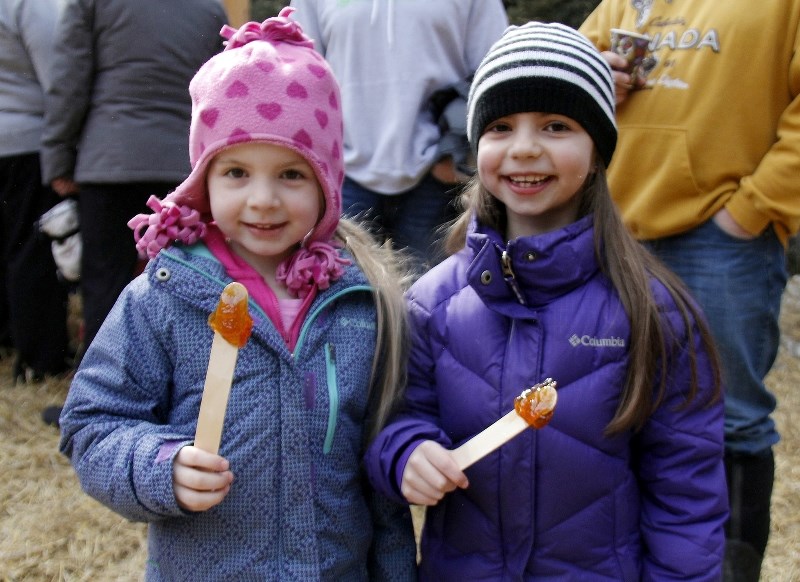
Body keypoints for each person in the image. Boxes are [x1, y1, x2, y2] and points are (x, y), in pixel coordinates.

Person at [58, 10, 417, 579]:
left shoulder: (360, 306)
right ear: (203, 179)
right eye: (236, 173)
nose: (263, 200)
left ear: (328, 182)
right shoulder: (163, 300)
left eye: (292, 175)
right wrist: (159, 467)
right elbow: (93, 424)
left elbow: (379, 483)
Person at [364, 22, 728, 580]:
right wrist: (407, 454)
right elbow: (396, 422)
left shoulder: (653, 312)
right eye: (502, 127)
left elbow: (686, 491)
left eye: (556, 125)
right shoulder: (431, 305)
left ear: (598, 150)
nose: (525, 148)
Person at [579, 4, 800, 580]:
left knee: (732, 419)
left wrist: (751, 212)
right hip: (615, 233)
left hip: (723, 240)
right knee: (611, 408)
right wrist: (595, 78)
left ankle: (728, 572)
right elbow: (560, 78)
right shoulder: (627, 3)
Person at [40, 0, 228, 360]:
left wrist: (59, 158)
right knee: (182, 285)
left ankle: (98, 392)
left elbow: (69, 81)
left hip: (110, 161)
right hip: (182, 169)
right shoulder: (210, 8)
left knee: (105, 285)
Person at [289, 0, 508, 272]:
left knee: (427, 300)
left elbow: (495, 67)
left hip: (437, 173)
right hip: (342, 173)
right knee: (343, 296)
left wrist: (457, 157)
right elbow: (299, 72)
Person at [0, 0, 71, 382]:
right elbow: (58, 76)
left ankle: (10, 339)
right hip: (24, 143)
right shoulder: (27, 4)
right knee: (32, 250)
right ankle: (40, 358)